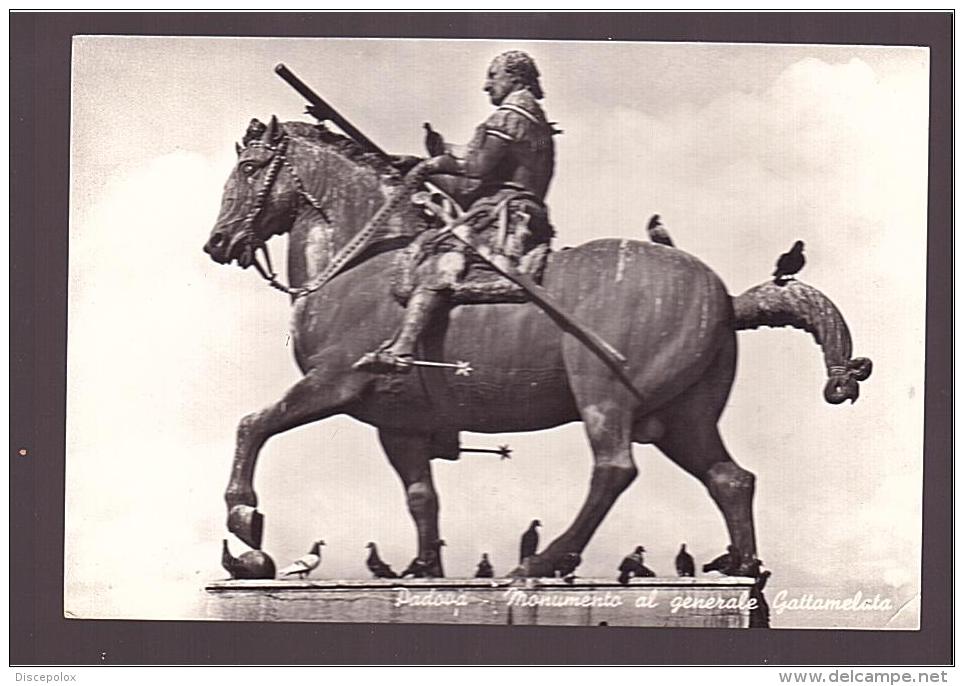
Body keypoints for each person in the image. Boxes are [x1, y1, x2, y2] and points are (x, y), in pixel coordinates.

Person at [354, 50, 557, 374]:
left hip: (502, 217)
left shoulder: (510, 114)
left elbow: (475, 168)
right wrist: (430, 158)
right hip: (511, 211)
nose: (486, 86)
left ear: (515, 79)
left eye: (493, 76)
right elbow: (472, 177)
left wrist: (429, 165)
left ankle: (403, 348)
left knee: (441, 265)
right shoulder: (529, 116)